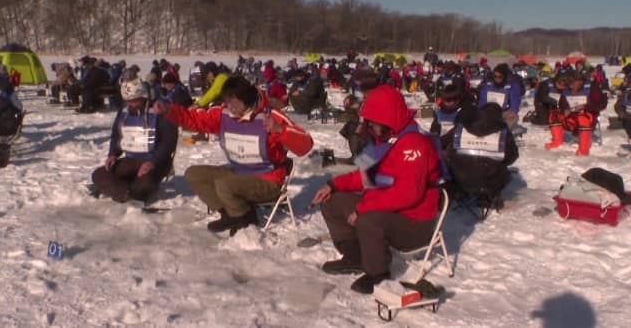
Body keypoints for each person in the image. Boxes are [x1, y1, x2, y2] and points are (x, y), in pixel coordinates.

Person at [310, 85, 441, 294]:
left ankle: (377, 272)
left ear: (387, 119)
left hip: (414, 222)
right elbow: (363, 175)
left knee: (368, 219)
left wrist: (363, 208)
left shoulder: (414, 144)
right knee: (333, 202)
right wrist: (333, 185)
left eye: (371, 122)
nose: (367, 127)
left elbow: (408, 193)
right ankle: (355, 255)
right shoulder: (381, 142)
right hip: (386, 212)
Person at [152, 76, 313, 235]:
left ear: (246, 99)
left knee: (225, 184)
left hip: (268, 180)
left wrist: (280, 131)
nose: (229, 106)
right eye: (226, 101)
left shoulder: (272, 117)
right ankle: (230, 214)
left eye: (233, 102)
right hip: (238, 172)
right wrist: (169, 110)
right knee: (195, 174)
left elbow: (306, 145)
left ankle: (246, 219)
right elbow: (194, 119)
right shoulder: (223, 115)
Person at [90, 77, 179, 204]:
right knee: (99, 174)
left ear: (143, 96)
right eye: (128, 101)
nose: (131, 104)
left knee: (145, 183)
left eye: (134, 100)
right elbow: (117, 134)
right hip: (131, 160)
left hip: (156, 162)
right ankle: (125, 194)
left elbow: (168, 142)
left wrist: (152, 162)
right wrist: (112, 154)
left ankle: (124, 192)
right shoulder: (125, 111)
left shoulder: (161, 109)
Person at [441, 103, 518, 209]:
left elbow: (441, 143)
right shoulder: (503, 134)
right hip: (490, 183)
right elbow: (511, 158)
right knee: (505, 171)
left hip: (460, 179)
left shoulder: (460, 129)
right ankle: (489, 195)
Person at [544, 72, 607, 156]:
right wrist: (565, 109)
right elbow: (562, 104)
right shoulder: (567, 89)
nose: (571, 86)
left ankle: (583, 150)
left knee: (583, 117)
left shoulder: (592, 88)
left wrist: (585, 106)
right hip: (571, 118)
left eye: (573, 84)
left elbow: (602, 104)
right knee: (554, 113)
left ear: (580, 81)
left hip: (588, 118)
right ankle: (557, 141)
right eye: (569, 84)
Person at [478, 63, 522, 129]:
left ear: (504, 76)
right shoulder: (488, 85)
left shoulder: (512, 86)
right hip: (489, 112)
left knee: (514, 117)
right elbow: (483, 100)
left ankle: (503, 130)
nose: (497, 78)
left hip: (504, 112)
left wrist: (514, 111)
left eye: (500, 76)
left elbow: (515, 100)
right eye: (495, 76)